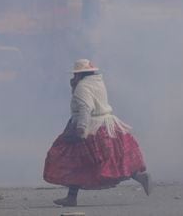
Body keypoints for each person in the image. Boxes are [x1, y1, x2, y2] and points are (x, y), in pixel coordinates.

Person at [43, 59, 150, 207]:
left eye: (75, 75)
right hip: (105, 125)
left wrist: (81, 129)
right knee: (106, 161)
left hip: (90, 127)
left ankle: (71, 197)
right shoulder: (97, 82)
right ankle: (138, 177)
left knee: (73, 161)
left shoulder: (82, 87)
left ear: (80, 75)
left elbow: (85, 109)